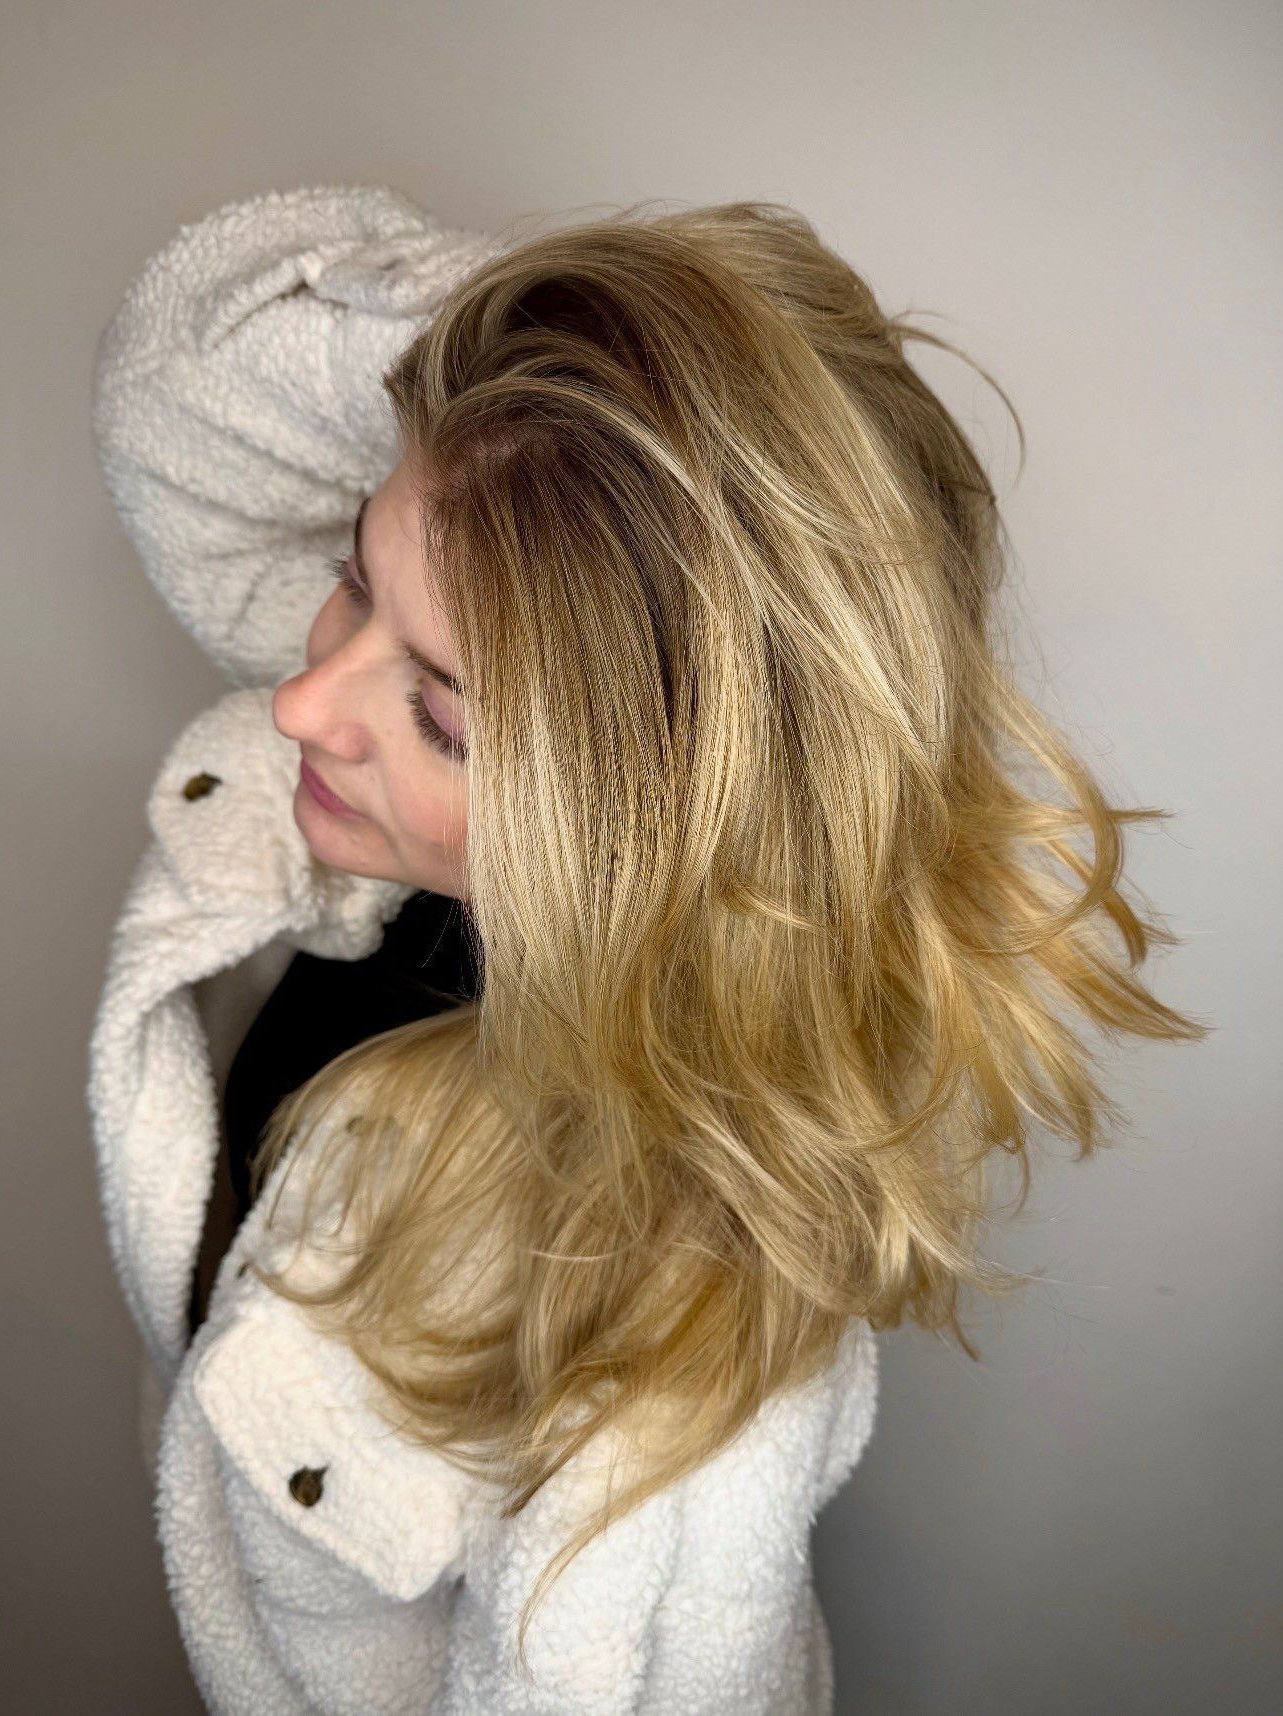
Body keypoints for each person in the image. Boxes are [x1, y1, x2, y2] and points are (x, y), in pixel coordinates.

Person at [87, 184, 1206, 1716]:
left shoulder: (670, 1310)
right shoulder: (404, 845)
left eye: (441, 712)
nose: (304, 705)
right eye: (357, 570)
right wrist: (576, 390)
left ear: (660, 814)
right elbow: (181, 401)